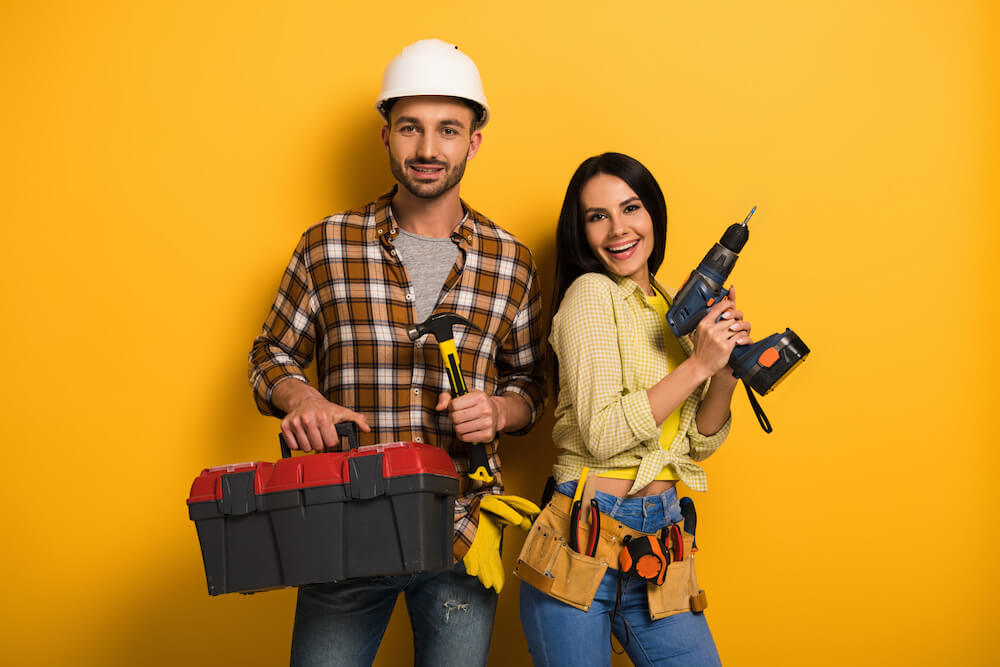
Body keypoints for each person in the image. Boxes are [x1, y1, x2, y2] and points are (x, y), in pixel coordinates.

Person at [248, 39, 546, 667]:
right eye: (411, 127)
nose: (429, 149)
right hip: (343, 533)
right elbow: (271, 353)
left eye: (448, 130)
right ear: (386, 136)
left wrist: (499, 411)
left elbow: (530, 385)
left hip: (462, 539)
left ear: (474, 141)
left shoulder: (511, 262)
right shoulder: (327, 246)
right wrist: (299, 396)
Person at [517, 153, 751, 666]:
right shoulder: (589, 295)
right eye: (597, 216)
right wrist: (696, 367)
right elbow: (601, 433)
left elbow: (695, 445)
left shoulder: (672, 306)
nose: (618, 229)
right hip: (581, 534)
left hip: (662, 539)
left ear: (654, 216)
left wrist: (726, 372)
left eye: (631, 208)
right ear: (580, 232)